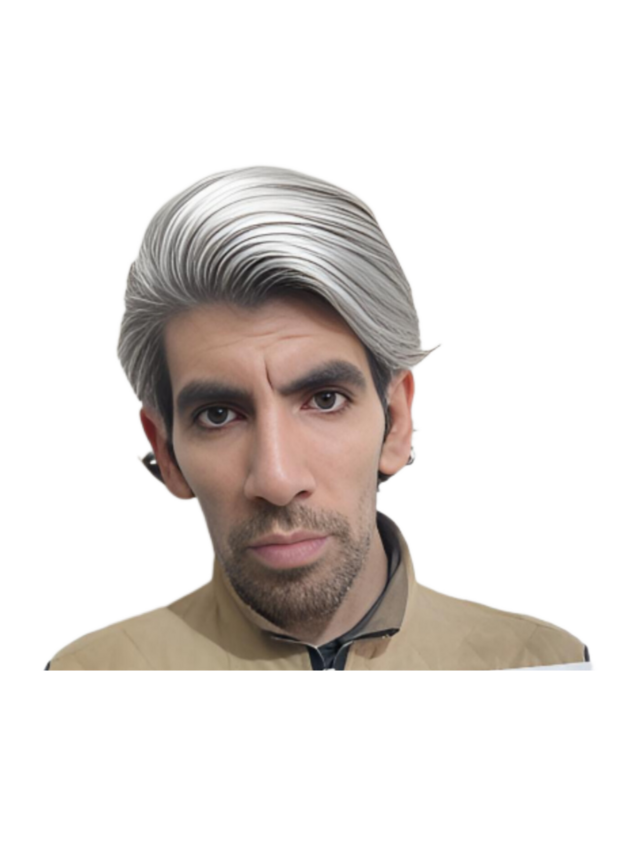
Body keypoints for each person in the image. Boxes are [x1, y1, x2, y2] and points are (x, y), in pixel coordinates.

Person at [42, 164, 591, 671]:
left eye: (325, 400)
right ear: (166, 452)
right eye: (218, 414)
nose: (277, 479)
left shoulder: (541, 664)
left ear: (396, 419)